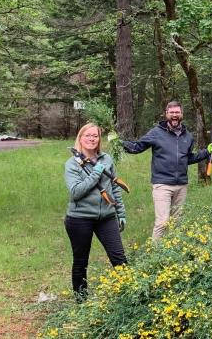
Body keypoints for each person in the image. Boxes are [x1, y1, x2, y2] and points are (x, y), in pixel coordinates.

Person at [121, 100, 212, 240]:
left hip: (181, 185)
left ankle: (172, 250)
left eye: (177, 112)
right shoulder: (156, 133)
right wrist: (118, 142)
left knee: (177, 223)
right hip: (162, 185)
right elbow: (137, 147)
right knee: (163, 222)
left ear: (181, 114)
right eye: (171, 112)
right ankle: (155, 252)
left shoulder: (188, 136)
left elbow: (187, 158)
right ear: (166, 114)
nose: (174, 115)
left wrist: (206, 152)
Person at [64, 123, 127, 301]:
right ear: (80, 138)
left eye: (95, 136)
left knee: (119, 259)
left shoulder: (106, 159)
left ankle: (129, 298)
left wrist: (120, 212)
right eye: (88, 135)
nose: (92, 139)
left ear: (99, 139)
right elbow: (76, 192)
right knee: (81, 262)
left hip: (106, 217)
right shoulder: (72, 163)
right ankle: (81, 303)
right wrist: (95, 174)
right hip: (79, 219)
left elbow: (114, 188)